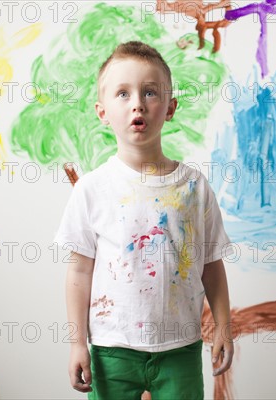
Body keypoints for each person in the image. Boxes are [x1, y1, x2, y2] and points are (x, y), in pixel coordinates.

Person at [53, 41, 234, 399]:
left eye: (150, 92)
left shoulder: (194, 187)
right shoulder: (92, 189)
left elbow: (211, 265)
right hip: (111, 349)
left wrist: (224, 327)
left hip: (180, 349)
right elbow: (78, 272)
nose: (137, 103)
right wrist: (77, 345)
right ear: (102, 111)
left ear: (170, 108)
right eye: (123, 93)